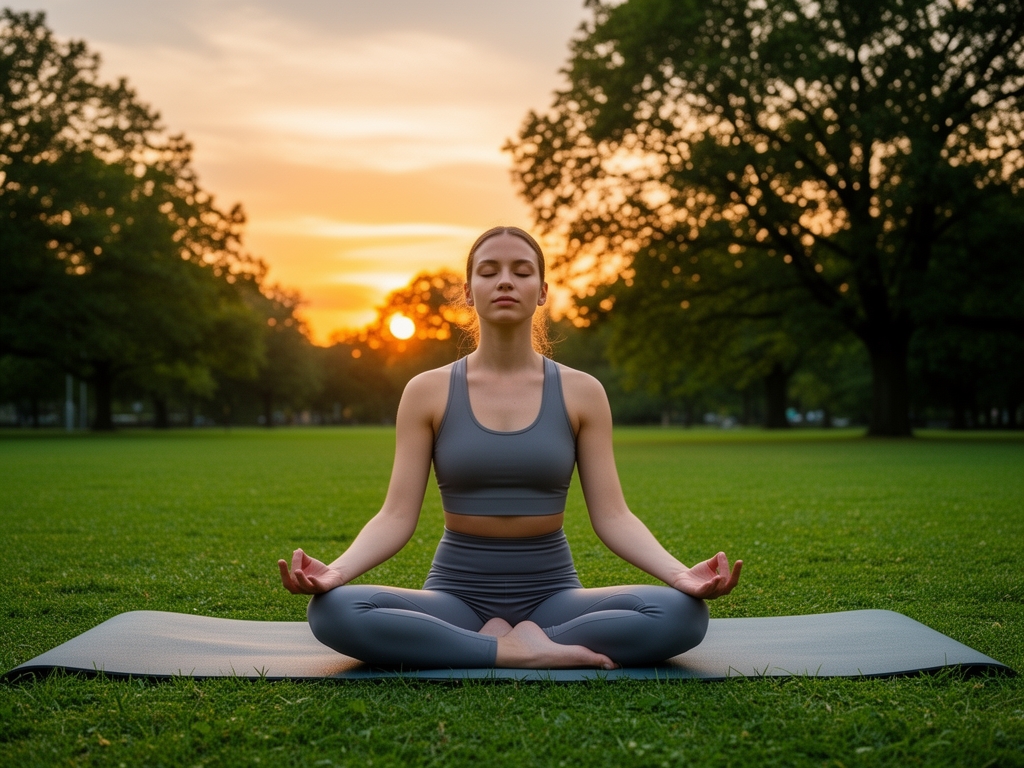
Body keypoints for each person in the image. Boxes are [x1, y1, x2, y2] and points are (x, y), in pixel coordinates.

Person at [279, 226, 741, 669]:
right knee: (331, 610)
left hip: (553, 596)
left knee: (683, 615)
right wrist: (336, 573)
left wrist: (680, 576)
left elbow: (613, 516)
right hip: (455, 595)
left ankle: (500, 645)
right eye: (489, 271)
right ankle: (518, 651)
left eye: (521, 271)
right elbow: (396, 516)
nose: (505, 281)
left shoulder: (582, 392)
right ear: (468, 290)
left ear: (541, 290)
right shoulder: (427, 391)